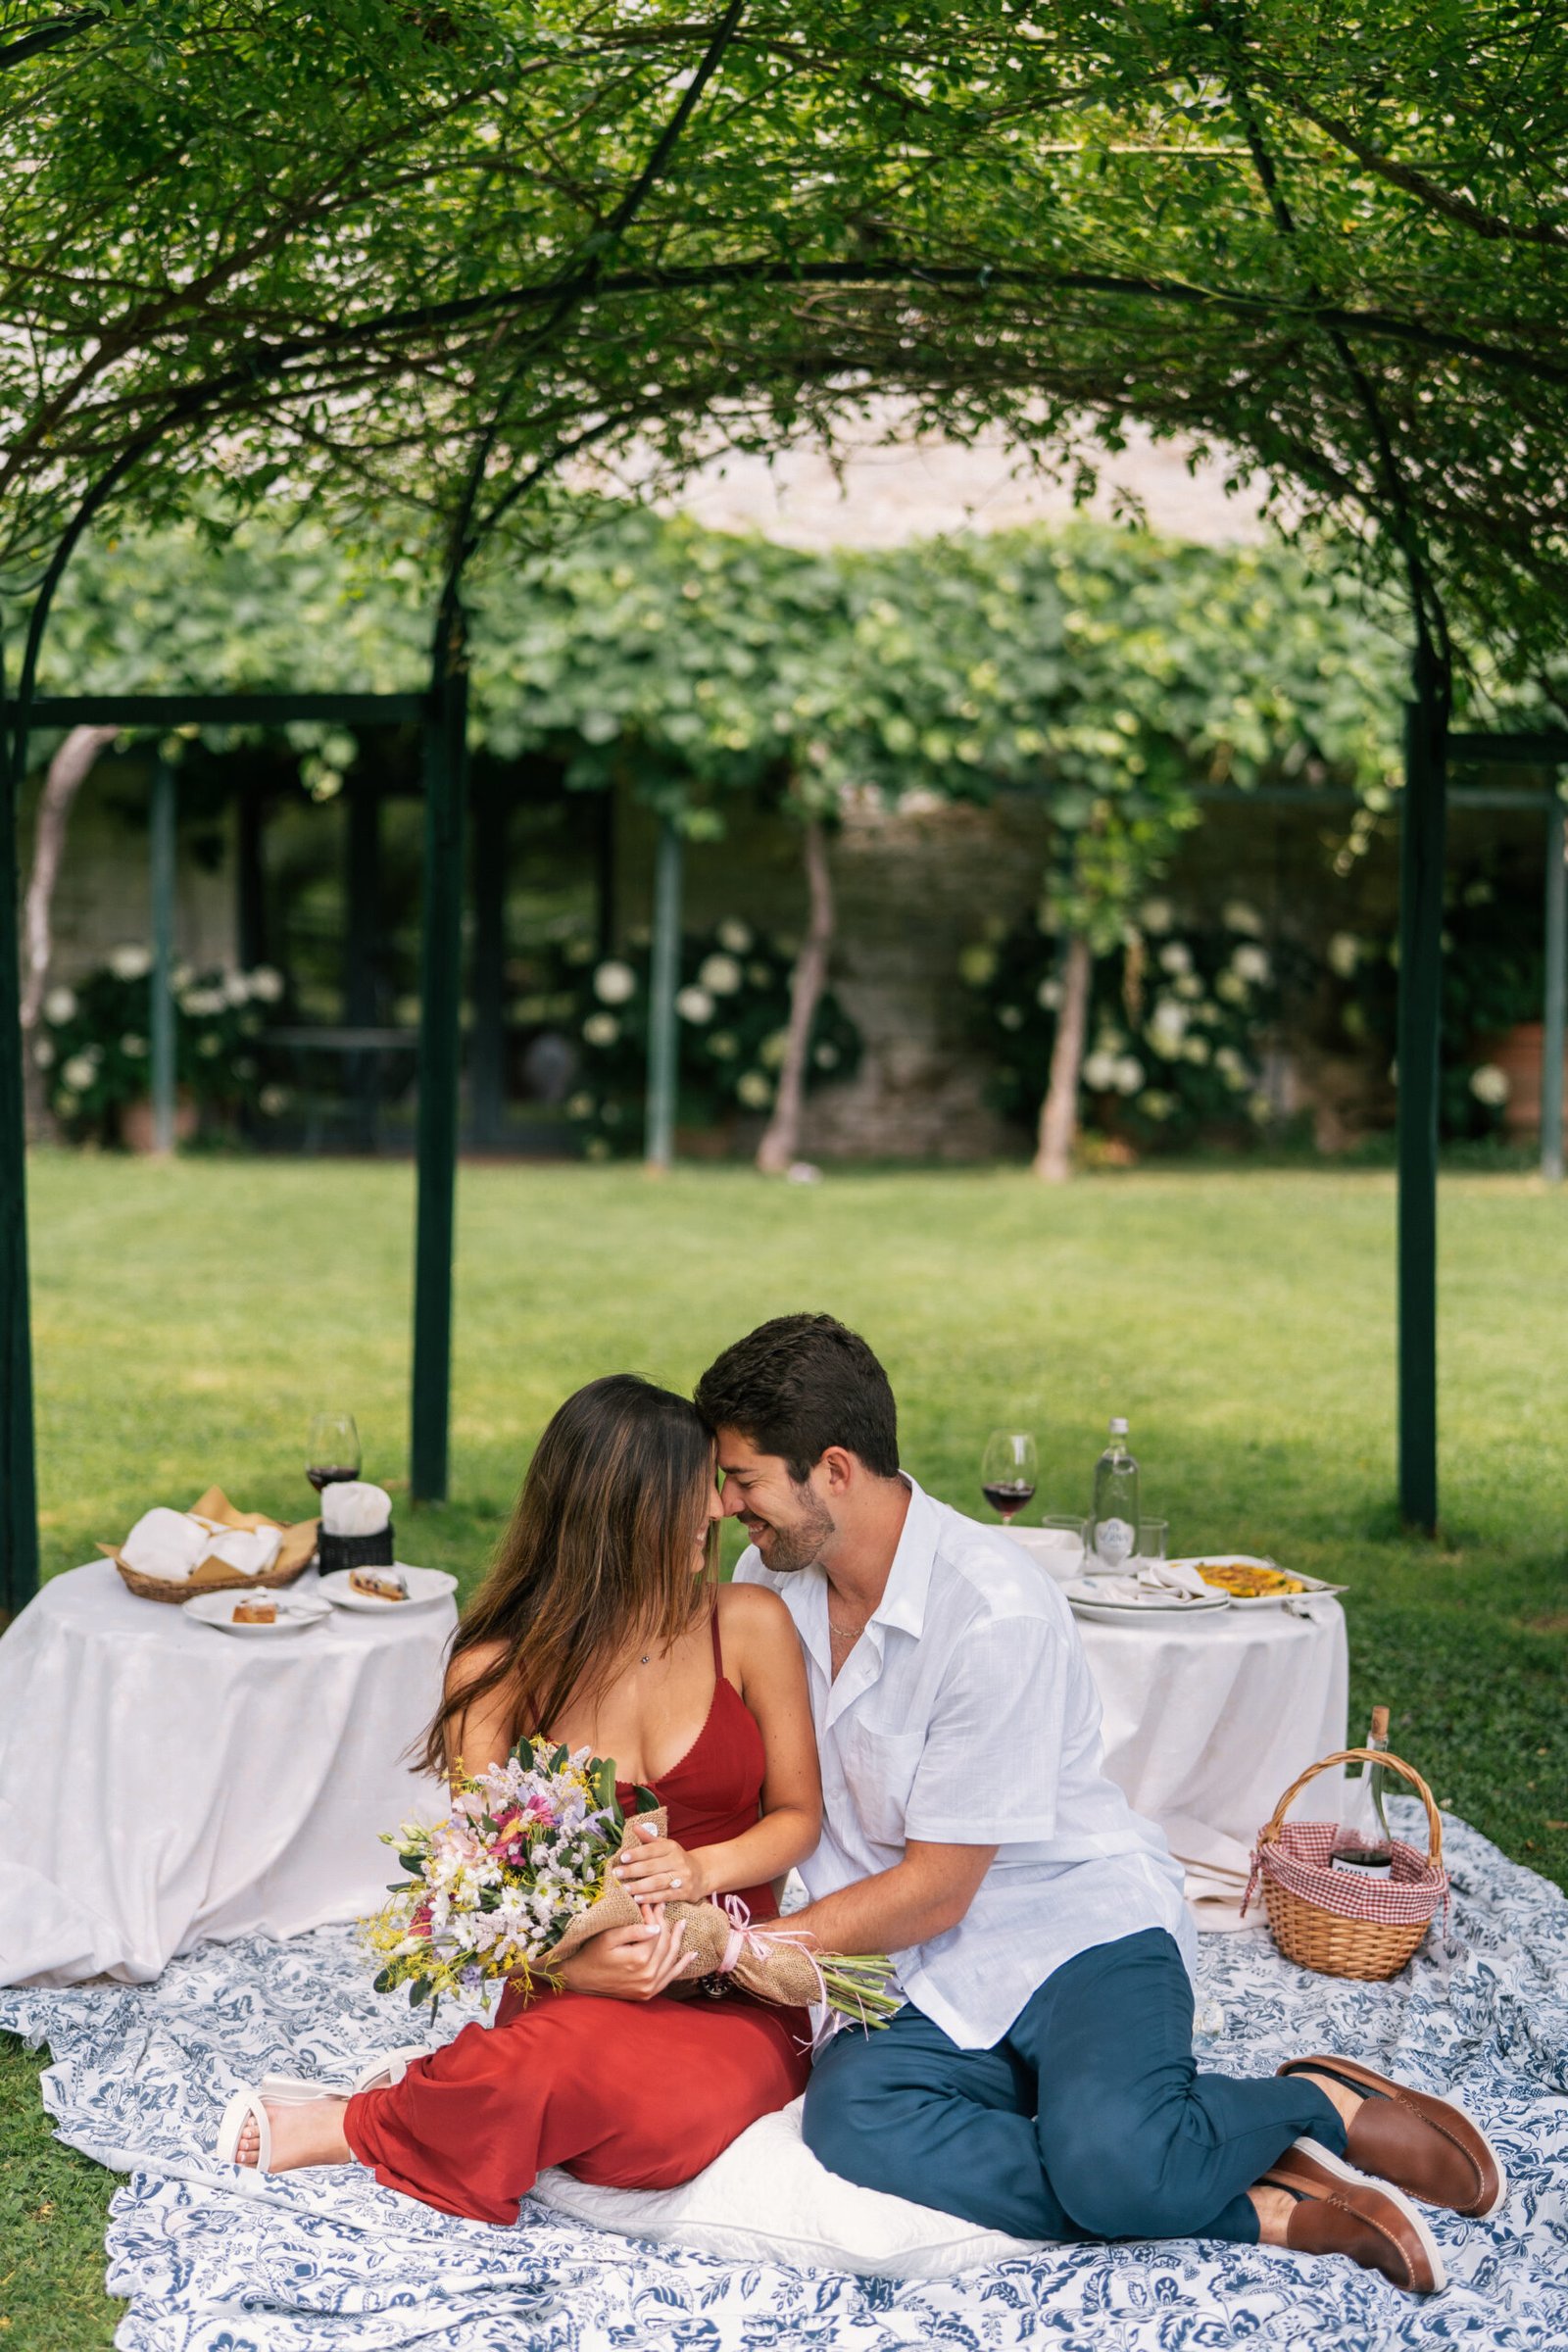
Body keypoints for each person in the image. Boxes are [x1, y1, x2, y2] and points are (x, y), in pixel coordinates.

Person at [695, 1313, 1505, 2297]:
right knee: (852, 2121)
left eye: (740, 1481)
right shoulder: (765, 1585)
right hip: (914, 1966)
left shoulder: (989, 1613)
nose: (725, 1504)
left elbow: (942, 1887)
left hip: (1071, 1931)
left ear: (832, 1468)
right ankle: (1237, 2189)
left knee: (1111, 2168)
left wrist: (760, 1949)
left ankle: (1310, 2103)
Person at [216, 1373, 823, 2222]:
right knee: (561, 2066)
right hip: (577, 1998)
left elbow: (800, 1817)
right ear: (619, 1512)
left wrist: (699, 1871)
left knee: (657, 2143)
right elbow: (484, 1897)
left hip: (736, 1990)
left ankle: (421, 2102)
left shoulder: (750, 1624)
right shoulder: (497, 1676)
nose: (720, 1511)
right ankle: (358, 2120)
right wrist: (571, 1965)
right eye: (695, 1494)